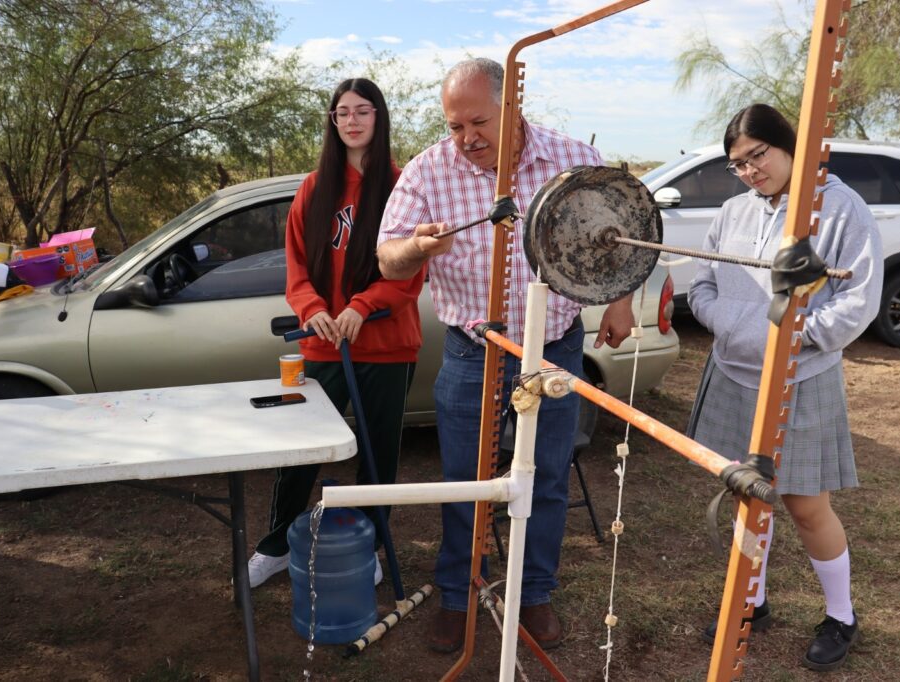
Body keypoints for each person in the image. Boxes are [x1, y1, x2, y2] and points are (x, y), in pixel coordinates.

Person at [376, 57, 634, 653]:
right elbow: (386, 259)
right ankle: (456, 596)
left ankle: (533, 593)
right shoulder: (428, 172)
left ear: (512, 107)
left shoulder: (571, 160)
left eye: (478, 122)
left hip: (555, 349)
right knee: (467, 481)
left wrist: (618, 301)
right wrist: (415, 247)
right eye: (455, 125)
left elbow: (618, 234)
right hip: (474, 351)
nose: (466, 138)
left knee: (543, 478)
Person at [687, 103, 882, 671]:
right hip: (733, 372)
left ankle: (841, 615)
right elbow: (701, 283)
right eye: (737, 164)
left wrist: (795, 337)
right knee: (749, 494)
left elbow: (860, 300)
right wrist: (731, 325)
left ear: (791, 147)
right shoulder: (730, 211)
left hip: (801, 377)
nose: (749, 171)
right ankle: (753, 601)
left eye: (758, 156)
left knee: (804, 504)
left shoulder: (840, 209)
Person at [247, 78, 424, 589]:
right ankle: (276, 545)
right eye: (342, 112)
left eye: (362, 111)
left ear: (379, 118)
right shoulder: (314, 187)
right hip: (322, 340)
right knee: (301, 449)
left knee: (376, 453)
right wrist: (314, 308)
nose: (351, 121)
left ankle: (369, 548)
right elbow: (297, 266)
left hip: (386, 345)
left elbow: (411, 270)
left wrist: (363, 307)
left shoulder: (401, 187)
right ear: (333, 121)